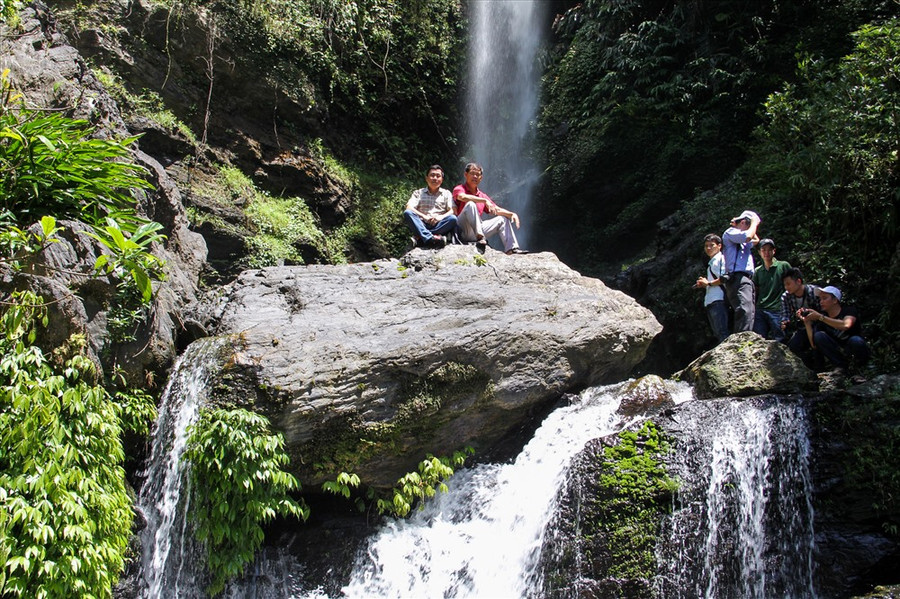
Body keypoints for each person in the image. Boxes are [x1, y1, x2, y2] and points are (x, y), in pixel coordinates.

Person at [452, 162, 527, 254]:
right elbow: (462, 197)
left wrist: (511, 214)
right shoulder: (459, 188)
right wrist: (484, 201)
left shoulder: (482, 195)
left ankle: (511, 249)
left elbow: (496, 209)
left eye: (478, 174)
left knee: (502, 219)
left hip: (476, 230)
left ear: (481, 178)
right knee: (471, 204)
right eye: (472, 173)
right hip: (462, 229)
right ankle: (480, 237)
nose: (475, 176)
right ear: (466, 174)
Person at [798, 285, 870, 372]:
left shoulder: (849, 310)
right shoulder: (822, 317)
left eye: (825, 298)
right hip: (837, 349)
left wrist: (821, 317)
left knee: (856, 340)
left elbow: (846, 325)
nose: (821, 302)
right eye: (820, 299)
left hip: (851, 346)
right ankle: (841, 367)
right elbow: (814, 344)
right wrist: (807, 322)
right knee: (819, 336)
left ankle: (860, 369)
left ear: (835, 300)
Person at [721, 209, 760, 332]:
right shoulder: (731, 232)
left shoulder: (742, 240)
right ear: (744, 222)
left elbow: (755, 240)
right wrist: (754, 222)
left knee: (749, 310)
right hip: (737, 277)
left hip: (745, 278)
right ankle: (743, 340)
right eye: (749, 224)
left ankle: (745, 337)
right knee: (744, 309)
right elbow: (748, 236)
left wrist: (752, 224)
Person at [403, 164, 457, 248]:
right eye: (432, 175)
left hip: (439, 224)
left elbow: (453, 210)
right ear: (426, 178)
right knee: (408, 213)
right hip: (421, 223)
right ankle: (432, 238)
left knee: (453, 219)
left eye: (438, 176)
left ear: (442, 180)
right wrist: (424, 217)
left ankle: (421, 237)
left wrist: (440, 217)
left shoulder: (446, 193)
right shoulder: (418, 193)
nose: (435, 178)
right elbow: (409, 207)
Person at [752, 238, 791, 341]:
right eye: (763, 250)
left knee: (780, 340)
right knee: (759, 340)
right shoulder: (757, 271)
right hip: (760, 309)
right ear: (759, 252)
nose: (766, 252)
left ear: (774, 251)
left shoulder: (783, 266)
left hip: (778, 309)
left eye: (769, 249)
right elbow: (755, 290)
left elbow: (792, 285)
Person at [693, 233, 729, 343]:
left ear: (719, 246)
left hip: (718, 300)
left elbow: (724, 278)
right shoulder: (712, 263)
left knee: (722, 332)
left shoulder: (721, 259)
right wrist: (704, 284)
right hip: (712, 300)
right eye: (706, 246)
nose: (708, 248)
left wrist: (707, 283)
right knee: (718, 333)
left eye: (711, 245)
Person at [780, 267, 821, 362]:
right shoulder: (786, 296)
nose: (786, 287)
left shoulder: (814, 292)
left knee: (818, 338)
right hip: (802, 327)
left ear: (798, 281)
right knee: (792, 347)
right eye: (784, 285)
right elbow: (785, 314)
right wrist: (785, 322)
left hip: (818, 325)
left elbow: (824, 311)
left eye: (788, 284)